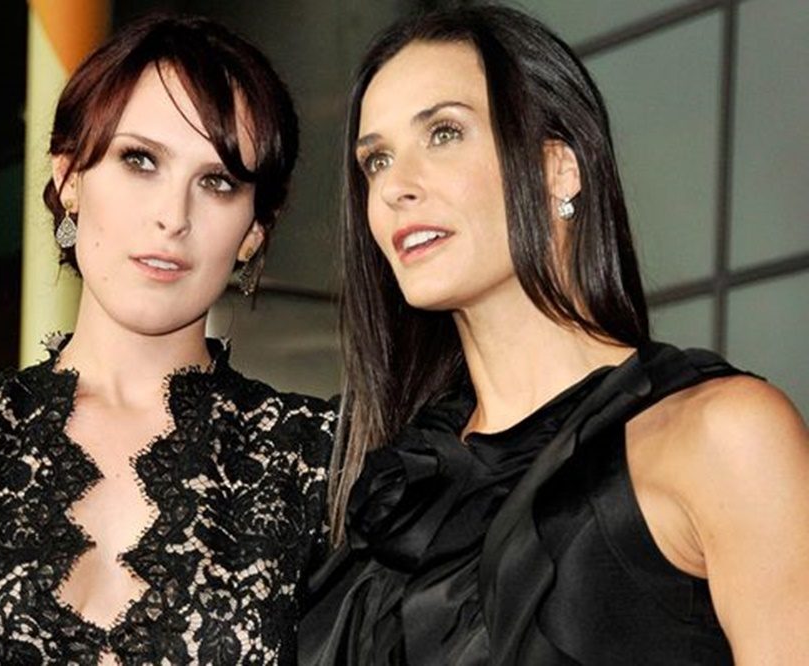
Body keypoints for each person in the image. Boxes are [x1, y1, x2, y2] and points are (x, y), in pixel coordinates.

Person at [300, 6, 809, 665]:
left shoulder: (722, 436)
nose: (396, 186)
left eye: (444, 133)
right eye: (376, 160)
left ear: (558, 169)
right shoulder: (389, 485)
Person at [0, 14, 335, 664]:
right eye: (140, 161)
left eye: (217, 182)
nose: (173, 217)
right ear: (70, 178)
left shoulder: (319, 459)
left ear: (254, 231)